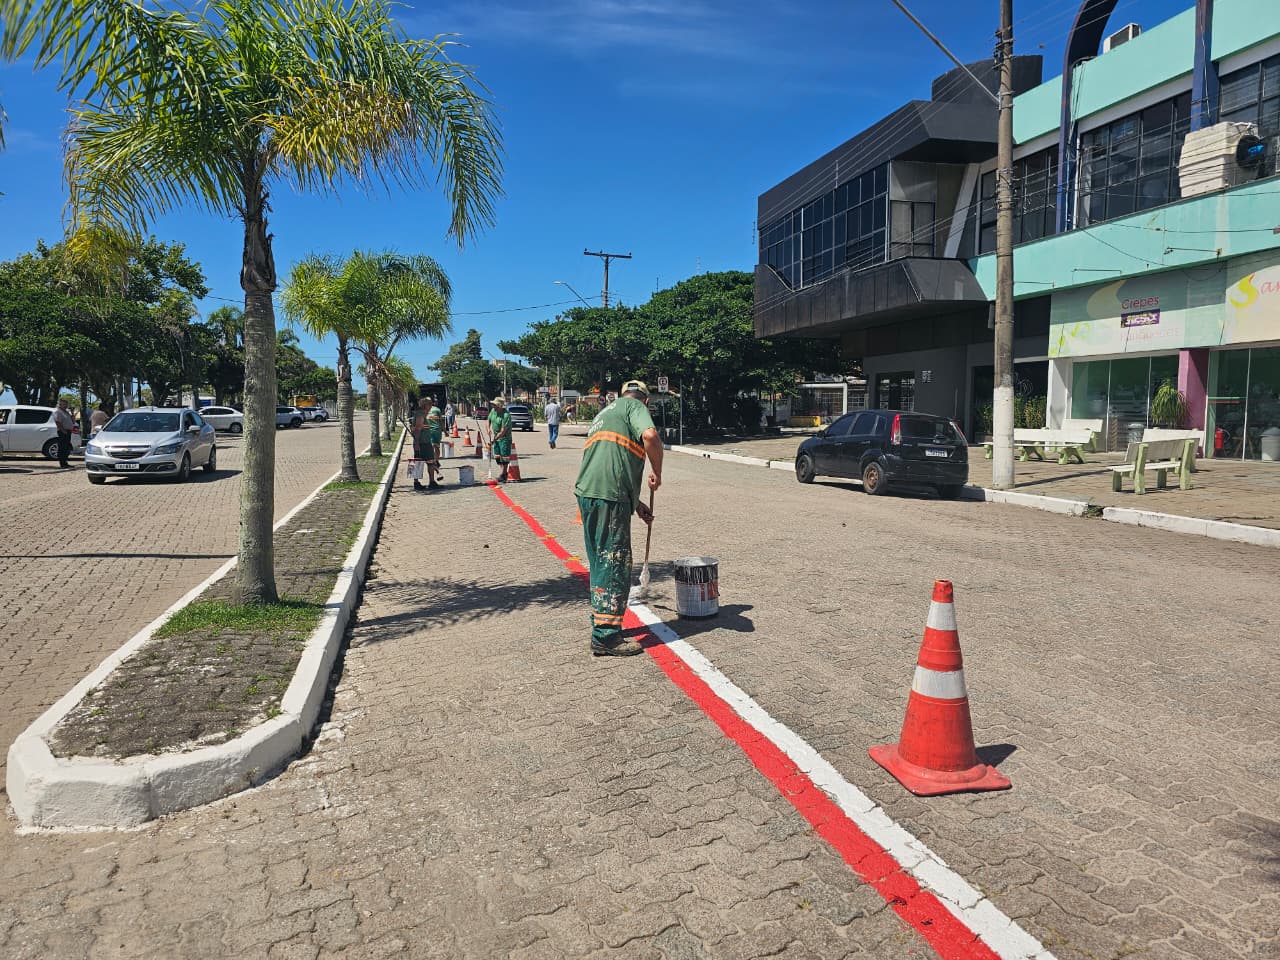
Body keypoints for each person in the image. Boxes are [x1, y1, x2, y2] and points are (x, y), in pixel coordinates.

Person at [573, 380, 662, 657]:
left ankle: (602, 621)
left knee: (601, 559)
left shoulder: (605, 413)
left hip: (590, 493)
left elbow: (613, 459)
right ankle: (606, 636)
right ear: (645, 401)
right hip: (609, 496)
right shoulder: (634, 406)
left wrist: (635, 503)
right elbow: (650, 437)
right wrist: (657, 472)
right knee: (615, 561)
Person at [411, 397, 440, 491]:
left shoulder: (422, 414)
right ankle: (418, 483)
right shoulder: (420, 415)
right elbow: (418, 430)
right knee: (419, 462)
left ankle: (431, 482)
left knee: (428, 462)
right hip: (422, 443)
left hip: (425, 442)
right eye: (430, 404)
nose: (431, 406)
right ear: (425, 405)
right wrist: (416, 443)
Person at [488, 397, 514, 482]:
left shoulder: (506, 415)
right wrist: (488, 429)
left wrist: (494, 440)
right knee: (497, 456)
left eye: (494, 405)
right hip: (496, 437)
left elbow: (503, 431)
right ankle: (503, 472)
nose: (493, 406)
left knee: (504, 457)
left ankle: (503, 474)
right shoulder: (493, 412)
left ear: (499, 406)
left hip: (505, 438)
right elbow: (488, 420)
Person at [426, 397, 445, 486]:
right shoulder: (437, 409)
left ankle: (435, 460)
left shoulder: (424, 411)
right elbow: (441, 421)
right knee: (436, 446)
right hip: (436, 431)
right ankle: (436, 460)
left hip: (428, 431)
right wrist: (445, 431)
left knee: (432, 447)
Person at [53, 398, 76, 468]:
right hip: (63, 431)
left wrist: (72, 412)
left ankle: (65, 462)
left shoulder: (66, 412)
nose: (66, 406)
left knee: (66, 448)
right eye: (64, 404)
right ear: (60, 404)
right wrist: (63, 431)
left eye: (66, 404)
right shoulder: (58, 412)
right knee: (62, 447)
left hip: (68, 431)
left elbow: (73, 421)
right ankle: (62, 463)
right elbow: (57, 422)